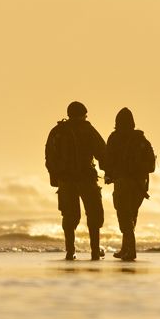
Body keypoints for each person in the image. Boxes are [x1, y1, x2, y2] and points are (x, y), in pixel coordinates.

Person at [44, 101, 107, 260]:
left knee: (70, 217)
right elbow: (102, 152)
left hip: (65, 181)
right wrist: (109, 172)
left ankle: (70, 251)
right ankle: (94, 251)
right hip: (86, 179)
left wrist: (55, 176)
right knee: (94, 216)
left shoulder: (57, 131)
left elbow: (49, 156)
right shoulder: (87, 129)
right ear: (83, 114)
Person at [102, 107, 156, 261]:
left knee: (124, 216)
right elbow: (151, 166)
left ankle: (130, 250)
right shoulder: (142, 140)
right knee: (131, 216)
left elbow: (107, 161)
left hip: (122, 183)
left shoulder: (114, 138)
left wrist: (109, 175)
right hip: (140, 184)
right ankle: (125, 248)